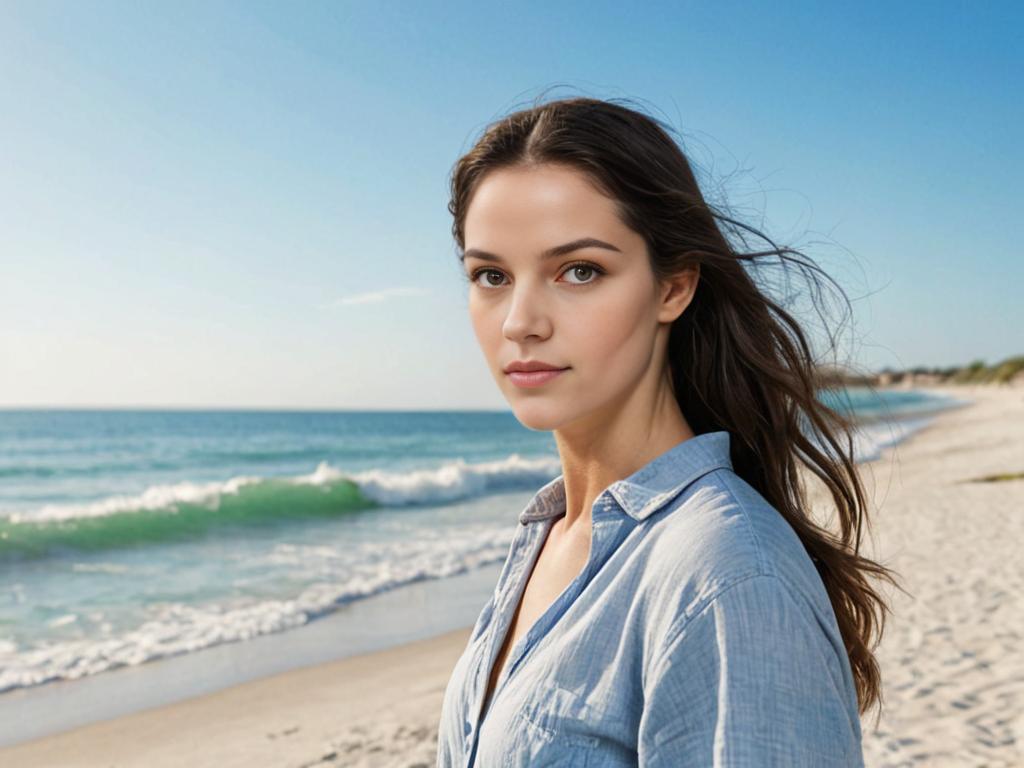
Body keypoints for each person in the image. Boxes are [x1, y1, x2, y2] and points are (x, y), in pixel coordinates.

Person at [435, 93, 900, 767]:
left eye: (580, 271)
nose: (519, 322)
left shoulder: (730, 576)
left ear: (673, 288)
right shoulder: (553, 531)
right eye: (491, 276)